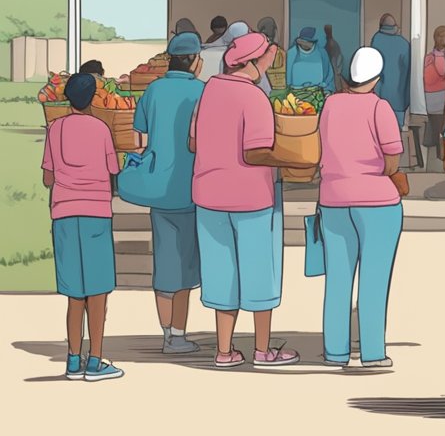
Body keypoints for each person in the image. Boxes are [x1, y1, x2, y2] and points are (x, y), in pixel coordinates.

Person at [192, 32, 298, 368]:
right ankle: (263, 350)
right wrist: (293, 159)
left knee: (221, 271)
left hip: (208, 195)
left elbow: (192, 142)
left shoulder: (209, 90)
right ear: (252, 62)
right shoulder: (255, 99)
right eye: (267, 55)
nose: (271, 59)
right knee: (258, 271)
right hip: (251, 198)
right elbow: (255, 153)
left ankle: (225, 351)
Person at [318, 47, 404, 369]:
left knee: (338, 278)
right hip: (377, 202)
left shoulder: (330, 104)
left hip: (334, 198)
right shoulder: (380, 108)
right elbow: (392, 157)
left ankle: (335, 351)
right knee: (374, 278)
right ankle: (372, 352)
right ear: (377, 79)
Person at [125, 31, 205, 354]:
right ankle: (179, 335)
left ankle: (166, 334)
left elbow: (137, 140)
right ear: (196, 61)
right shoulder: (202, 91)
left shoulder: (154, 90)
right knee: (186, 266)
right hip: (191, 188)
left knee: (165, 262)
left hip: (158, 189)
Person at [43, 72, 125, 381]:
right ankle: (96, 361)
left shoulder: (55, 129)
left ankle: (73, 359)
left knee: (74, 294)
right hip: (95, 214)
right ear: (93, 99)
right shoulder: (101, 129)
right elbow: (113, 168)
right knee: (98, 293)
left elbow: (47, 178)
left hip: (64, 215)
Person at [371, 14, 412, 127]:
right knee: (396, 130)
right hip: (399, 97)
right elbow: (409, 72)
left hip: (380, 95)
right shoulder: (404, 44)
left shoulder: (376, 40)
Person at [423, 25, 445, 160]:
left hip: (428, 96)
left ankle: (432, 154)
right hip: (440, 96)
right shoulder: (443, 57)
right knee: (440, 128)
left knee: (433, 124)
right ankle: (441, 156)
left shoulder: (428, 57)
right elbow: (442, 72)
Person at [287, 26, 334, 93]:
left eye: (308, 41)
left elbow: (329, 77)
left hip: (318, 95)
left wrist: (327, 91)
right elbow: (286, 79)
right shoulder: (291, 53)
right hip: (295, 95)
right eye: (303, 41)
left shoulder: (321, 53)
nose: (305, 44)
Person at [323, 24, 345, 93]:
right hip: (332, 72)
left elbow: (339, 57)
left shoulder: (331, 43)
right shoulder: (327, 43)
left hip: (334, 70)